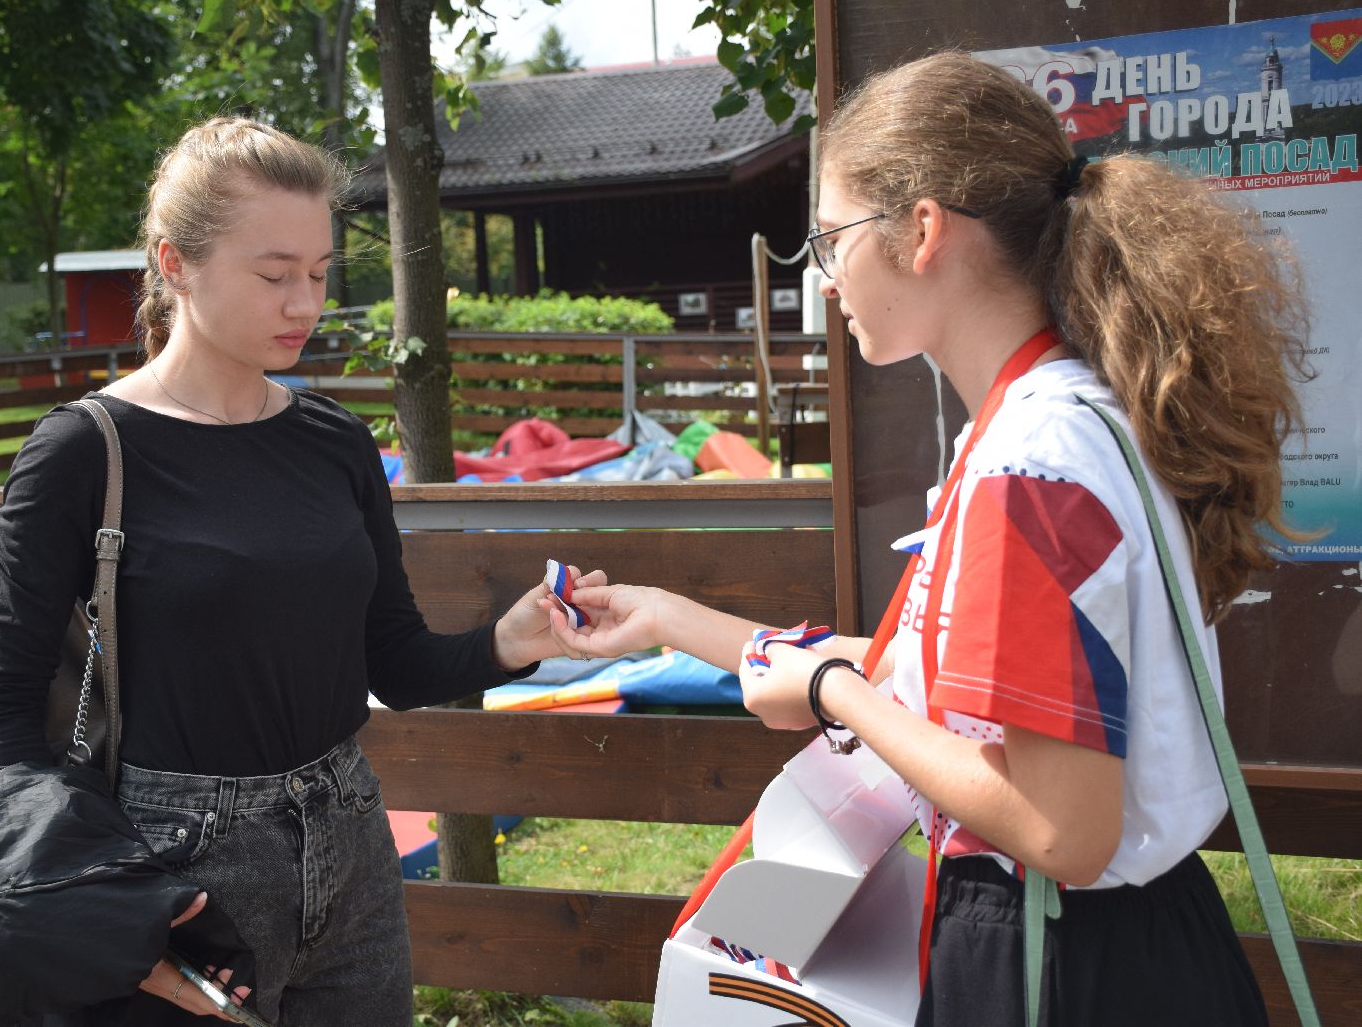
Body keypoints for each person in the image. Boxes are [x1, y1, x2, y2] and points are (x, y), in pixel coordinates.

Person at [545, 52, 1309, 1026]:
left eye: (829, 240)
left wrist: (834, 693)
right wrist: (669, 619)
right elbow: (938, 684)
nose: (824, 279)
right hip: (1119, 948)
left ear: (920, 230)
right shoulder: (1068, 421)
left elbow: (1060, 829)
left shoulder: (1027, 470)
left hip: (1061, 960)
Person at [0, 116, 579, 1026]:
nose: (306, 303)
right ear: (175, 264)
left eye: (321, 274)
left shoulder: (335, 441)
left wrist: (505, 644)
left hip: (351, 838)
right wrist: (95, 905)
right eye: (274, 274)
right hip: (170, 864)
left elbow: (393, 664)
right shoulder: (82, 450)